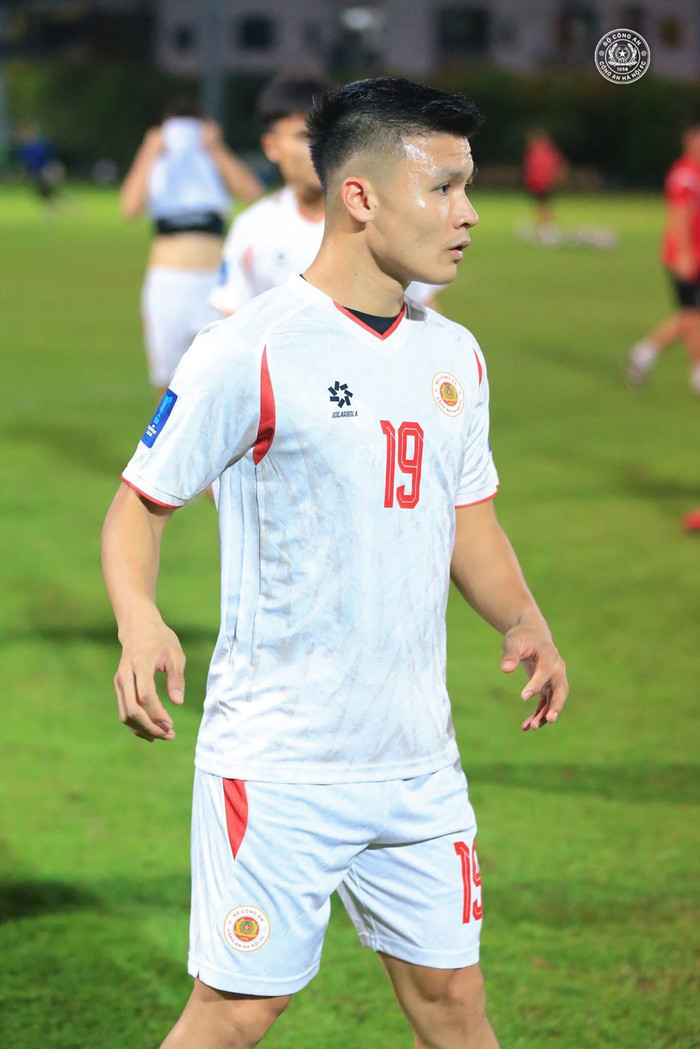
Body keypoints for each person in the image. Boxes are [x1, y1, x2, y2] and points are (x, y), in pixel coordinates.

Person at [102, 77, 569, 1049]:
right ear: (361, 196)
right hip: (281, 760)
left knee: (454, 1003)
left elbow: (468, 517)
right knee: (235, 1013)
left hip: (418, 761)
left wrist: (523, 616)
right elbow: (138, 504)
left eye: (468, 187)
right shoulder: (251, 348)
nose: (469, 213)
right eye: (443, 187)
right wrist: (141, 621)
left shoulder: (456, 355)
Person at [210, 74, 443, 317]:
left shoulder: (382, 219)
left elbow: (422, 311)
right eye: (303, 136)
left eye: (326, 136)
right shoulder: (251, 228)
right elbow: (233, 319)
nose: (319, 148)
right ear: (272, 146)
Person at [120, 98, 263, 395]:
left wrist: (215, 148)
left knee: (223, 379)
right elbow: (130, 208)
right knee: (167, 383)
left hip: (214, 285)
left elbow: (253, 194)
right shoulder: (157, 163)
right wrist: (149, 150)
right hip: (167, 283)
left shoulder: (213, 160)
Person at [626, 120, 700, 395]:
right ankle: (645, 354)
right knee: (691, 315)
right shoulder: (683, 176)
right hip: (685, 256)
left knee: (692, 315)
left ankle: (649, 356)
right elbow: (678, 216)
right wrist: (683, 255)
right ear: (689, 141)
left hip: (696, 254)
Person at [523, 128, 566, 244]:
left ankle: (546, 228)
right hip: (542, 183)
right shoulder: (545, 150)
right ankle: (545, 227)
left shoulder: (540, 151)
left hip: (542, 183)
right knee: (543, 205)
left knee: (543, 205)